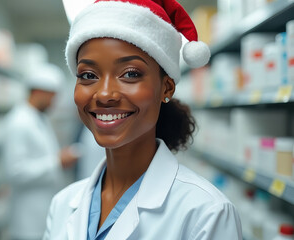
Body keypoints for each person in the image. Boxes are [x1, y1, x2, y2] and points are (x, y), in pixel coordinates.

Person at [43, 0, 243, 239]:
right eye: (88, 75)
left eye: (130, 74)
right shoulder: (62, 204)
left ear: (166, 88)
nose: (105, 94)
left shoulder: (206, 213)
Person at [3, 63, 78, 240]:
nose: (55, 102)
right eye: (52, 96)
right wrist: (57, 162)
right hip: (28, 221)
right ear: (38, 92)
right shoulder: (19, 122)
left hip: (42, 214)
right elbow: (15, 172)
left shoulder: (37, 118)